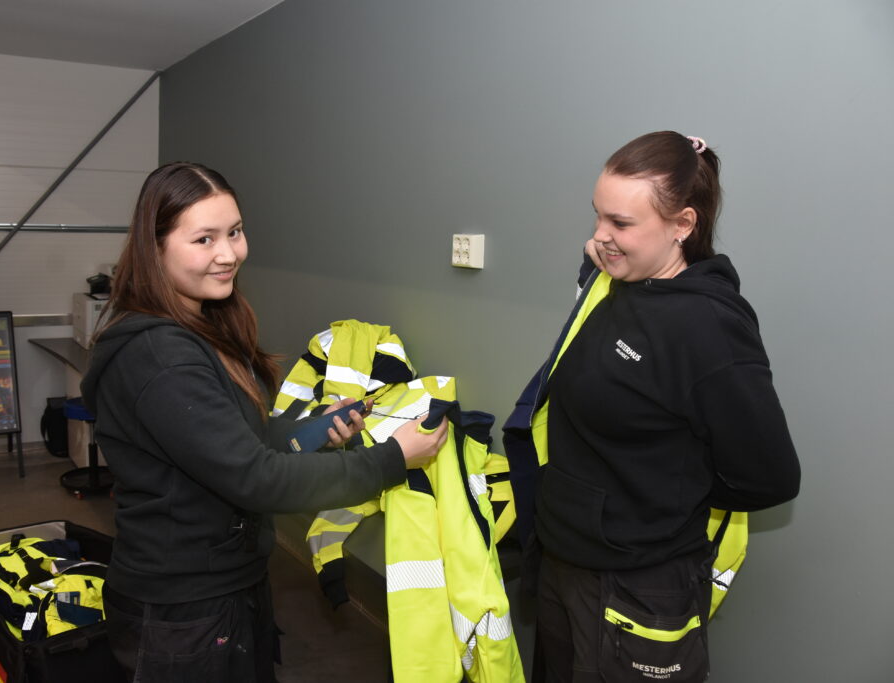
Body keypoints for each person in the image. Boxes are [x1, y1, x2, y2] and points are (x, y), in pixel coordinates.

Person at [80, 161, 447, 682]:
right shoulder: (162, 358)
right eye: (204, 239)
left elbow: (229, 440)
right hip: (184, 610)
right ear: (154, 248)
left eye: (234, 232)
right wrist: (393, 459)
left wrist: (310, 432)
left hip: (228, 587)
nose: (228, 253)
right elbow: (257, 479)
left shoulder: (202, 324)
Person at [525, 132, 801, 682]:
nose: (599, 236)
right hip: (563, 563)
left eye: (621, 223)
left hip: (635, 585)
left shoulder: (708, 326)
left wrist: (663, 495)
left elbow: (770, 477)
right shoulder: (619, 285)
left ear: (683, 225)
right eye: (598, 215)